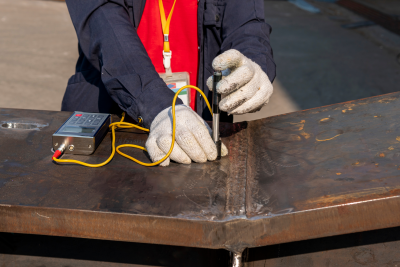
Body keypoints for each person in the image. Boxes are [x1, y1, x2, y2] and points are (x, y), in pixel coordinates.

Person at [62, 0, 276, 166]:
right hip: (112, 125)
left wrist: (253, 64)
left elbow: (247, 25)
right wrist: (158, 106)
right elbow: (104, 25)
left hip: (197, 125)